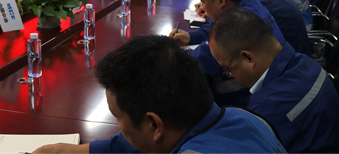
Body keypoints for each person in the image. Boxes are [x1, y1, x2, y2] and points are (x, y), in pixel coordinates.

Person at [33, 36, 285, 154]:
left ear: (154, 124)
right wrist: (75, 151)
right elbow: (143, 141)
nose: (118, 125)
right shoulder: (245, 118)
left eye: (117, 117)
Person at [209, 7, 339, 153]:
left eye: (229, 69)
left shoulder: (268, 108)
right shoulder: (305, 62)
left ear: (248, 58)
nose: (231, 76)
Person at [169, 0, 286, 79]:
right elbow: (214, 27)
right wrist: (191, 37)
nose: (203, 7)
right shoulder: (252, 5)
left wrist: (170, 53)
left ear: (220, 1)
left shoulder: (235, 25)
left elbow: (194, 63)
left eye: (203, 1)